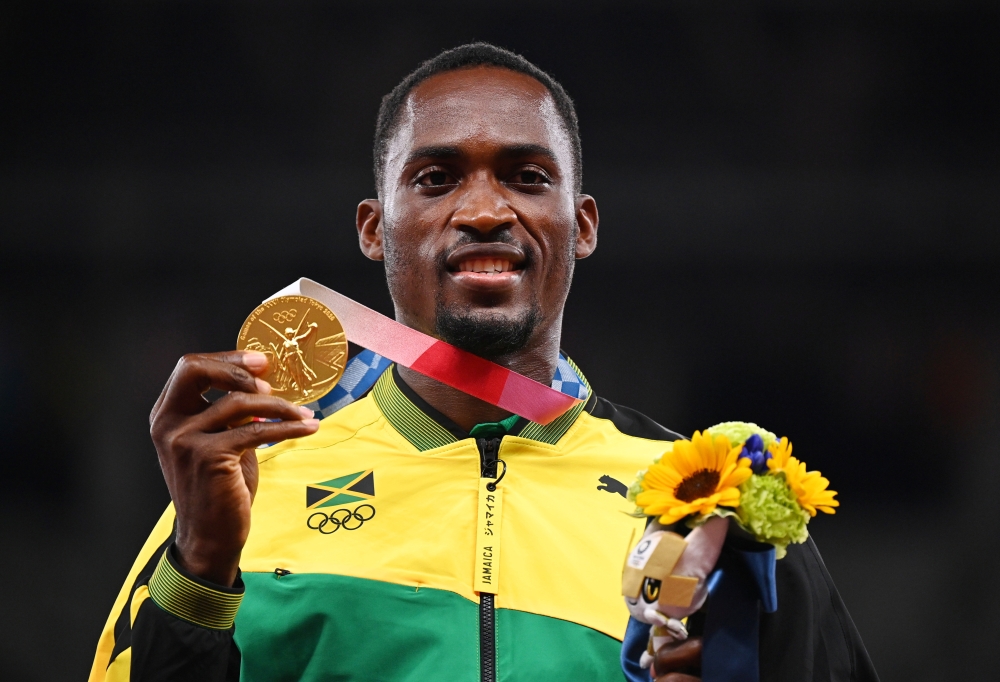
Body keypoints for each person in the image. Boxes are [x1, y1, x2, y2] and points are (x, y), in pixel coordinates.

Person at [89, 43, 877, 682]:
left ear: (583, 224)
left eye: (527, 177)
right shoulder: (245, 498)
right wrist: (199, 568)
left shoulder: (705, 507)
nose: (484, 210)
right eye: (435, 179)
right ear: (374, 228)